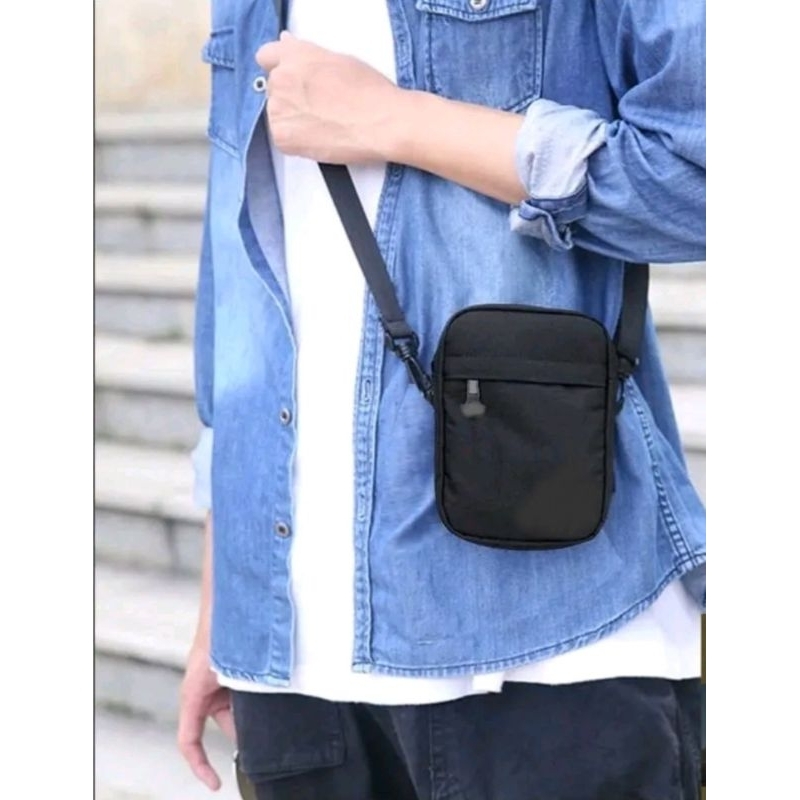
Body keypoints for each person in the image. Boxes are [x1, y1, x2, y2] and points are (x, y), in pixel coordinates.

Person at [177, 1, 706, 798]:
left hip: (544, 635)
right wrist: (222, 610)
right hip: (285, 662)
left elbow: (703, 176)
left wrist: (392, 118)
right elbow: (235, 291)